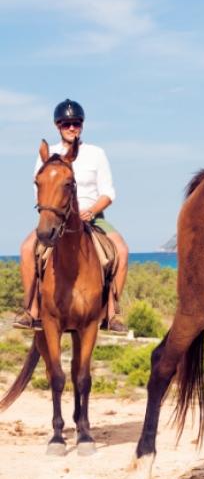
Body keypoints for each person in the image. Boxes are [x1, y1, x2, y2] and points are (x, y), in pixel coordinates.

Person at [14, 99, 129, 334]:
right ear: (58, 126)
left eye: (76, 123)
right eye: (66, 124)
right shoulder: (48, 155)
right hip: (55, 216)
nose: (72, 128)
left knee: (122, 250)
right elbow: (39, 188)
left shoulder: (96, 153)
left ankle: (112, 314)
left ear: (82, 125)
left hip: (92, 216)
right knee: (27, 249)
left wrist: (93, 210)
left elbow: (108, 191)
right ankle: (31, 311)